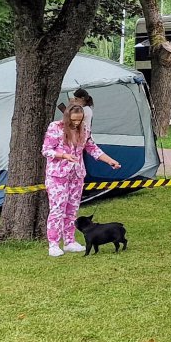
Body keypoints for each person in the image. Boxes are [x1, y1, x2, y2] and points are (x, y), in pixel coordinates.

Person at [42, 104, 120, 257]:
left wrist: (109, 161)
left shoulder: (84, 129)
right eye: (73, 120)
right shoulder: (55, 127)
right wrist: (64, 155)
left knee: (72, 210)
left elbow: (92, 148)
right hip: (57, 176)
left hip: (77, 175)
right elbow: (46, 150)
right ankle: (53, 244)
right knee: (57, 210)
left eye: (79, 120)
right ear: (67, 117)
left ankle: (69, 241)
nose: (76, 123)